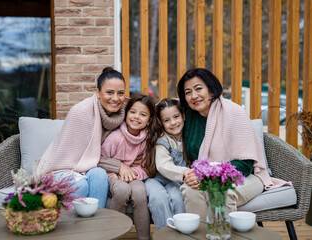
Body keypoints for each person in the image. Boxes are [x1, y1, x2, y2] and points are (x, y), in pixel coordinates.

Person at [177, 68, 291, 219]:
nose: (194, 96)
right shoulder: (189, 115)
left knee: (221, 191)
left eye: (198, 89)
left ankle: (221, 235)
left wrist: (206, 175)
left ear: (211, 90)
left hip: (244, 176)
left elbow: (245, 165)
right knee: (189, 190)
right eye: (188, 92)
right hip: (203, 176)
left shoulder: (234, 112)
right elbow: (162, 110)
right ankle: (199, 235)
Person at [35, 67, 128, 208]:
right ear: (97, 92)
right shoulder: (81, 112)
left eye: (120, 93)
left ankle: (97, 224)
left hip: (90, 168)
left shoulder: (127, 112)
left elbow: (148, 110)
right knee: (80, 185)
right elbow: (86, 157)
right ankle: (75, 228)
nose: (115, 98)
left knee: (99, 176)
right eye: (109, 92)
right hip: (62, 168)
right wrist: (118, 166)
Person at [101, 93, 159, 240]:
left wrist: (130, 173)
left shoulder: (148, 139)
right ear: (126, 114)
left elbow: (146, 167)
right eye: (132, 112)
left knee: (140, 191)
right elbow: (100, 159)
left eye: (143, 114)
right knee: (122, 190)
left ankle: (144, 237)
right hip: (113, 176)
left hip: (134, 176)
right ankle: (113, 235)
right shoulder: (115, 138)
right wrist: (116, 170)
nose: (136, 117)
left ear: (149, 120)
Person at [145, 98, 189, 229]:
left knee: (177, 197)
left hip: (174, 181)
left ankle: (182, 232)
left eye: (176, 117)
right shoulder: (162, 140)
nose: (173, 123)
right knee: (158, 198)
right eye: (167, 120)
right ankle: (164, 234)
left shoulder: (188, 136)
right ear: (161, 123)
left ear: (183, 116)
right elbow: (163, 165)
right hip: (155, 179)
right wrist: (186, 172)